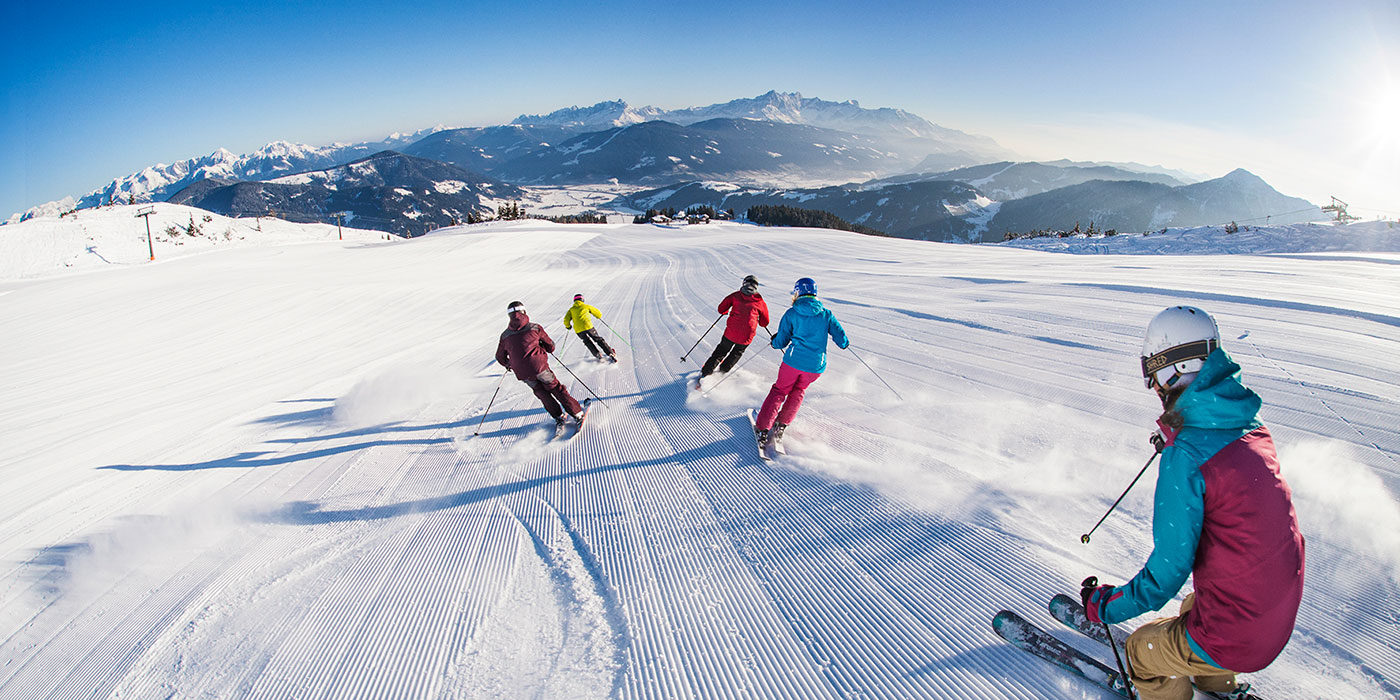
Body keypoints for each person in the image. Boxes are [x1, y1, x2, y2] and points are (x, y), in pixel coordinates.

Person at [1080, 306, 1304, 700]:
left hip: (1239, 638)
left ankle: (1176, 683)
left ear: (1171, 371)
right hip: (1276, 616)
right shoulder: (1251, 426)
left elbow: (1166, 574)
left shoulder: (1185, 457)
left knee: (1140, 651)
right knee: (1193, 604)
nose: (1156, 390)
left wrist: (1105, 607)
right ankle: (1216, 680)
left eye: (1154, 377)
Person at [754, 277, 848, 446]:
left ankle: (763, 428)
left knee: (780, 390)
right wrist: (844, 343)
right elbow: (841, 338)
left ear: (798, 293)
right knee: (798, 391)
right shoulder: (826, 314)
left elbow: (782, 340)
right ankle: (781, 425)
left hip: (793, 362)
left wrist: (774, 342)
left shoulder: (792, 313)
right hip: (815, 366)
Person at [496, 300, 585, 428]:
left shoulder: (505, 335)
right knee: (556, 388)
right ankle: (577, 414)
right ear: (524, 312)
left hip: (522, 373)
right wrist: (545, 348)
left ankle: (558, 416)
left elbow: (500, 357)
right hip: (539, 368)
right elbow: (550, 345)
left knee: (541, 392)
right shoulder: (534, 328)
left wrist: (509, 364)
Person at [700, 274, 770, 380]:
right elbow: (764, 323)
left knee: (722, 350)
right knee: (736, 353)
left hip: (731, 332)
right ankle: (722, 371)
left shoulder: (736, 295)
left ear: (744, 284)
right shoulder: (760, 302)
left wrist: (725, 311)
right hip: (747, 336)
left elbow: (721, 309)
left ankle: (706, 372)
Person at [563, 293, 617, 363]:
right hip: (588, 327)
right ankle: (610, 352)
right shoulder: (586, 306)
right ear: (582, 300)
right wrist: (598, 316)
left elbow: (566, 320)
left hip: (578, 330)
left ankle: (597, 354)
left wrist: (568, 326)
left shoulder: (571, 310)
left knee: (587, 341)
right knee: (598, 339)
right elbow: (598, 313)